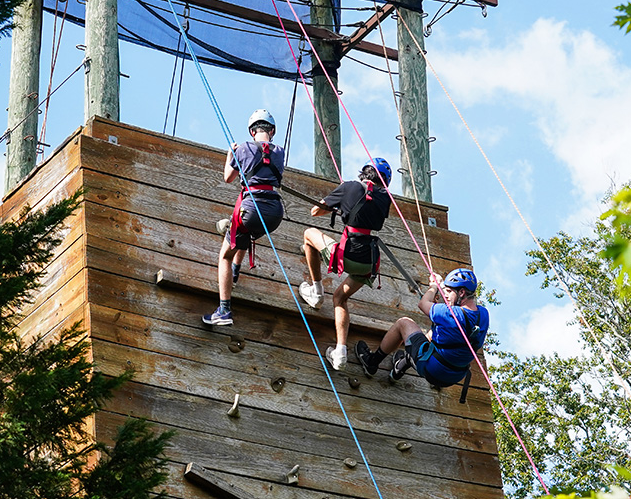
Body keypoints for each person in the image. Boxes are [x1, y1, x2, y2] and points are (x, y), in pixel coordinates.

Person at [297, 158, 393, 370]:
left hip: (347, 253)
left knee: (309, 234)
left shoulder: (350, 186)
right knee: (340, 298)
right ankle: (340, 352)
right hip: (368, 262)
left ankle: (317, 290)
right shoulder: (386, 199)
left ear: (365, 172)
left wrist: (339, 202)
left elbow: (315, 211)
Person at [202, 109, 287, 326]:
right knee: (245, 235)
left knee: (224, 255)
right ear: (273, 131)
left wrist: (231, 154)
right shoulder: (280, 152)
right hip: (274, 213)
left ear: (252, 131)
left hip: (251, 208)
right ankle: (236, 273)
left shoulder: (245, 148)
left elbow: (228, 178)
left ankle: (224, 310)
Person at [355, 269, 489, 387]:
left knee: (404, 323)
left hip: (433, 371)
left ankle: (371, 363)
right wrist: (442, 284)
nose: (445, 295)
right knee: (433, 334)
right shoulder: (483, 315)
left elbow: (423, 304)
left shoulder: (449, 313)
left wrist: (433, 287)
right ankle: (399, 368)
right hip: (454, 376)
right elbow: (459, 317)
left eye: (448, 291)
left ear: (462, 292)